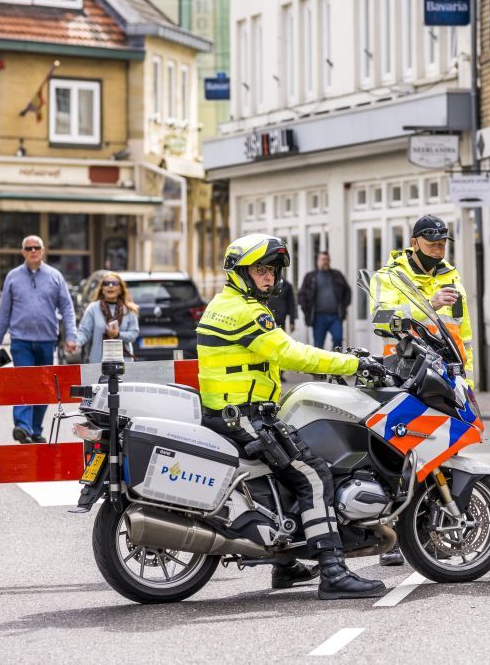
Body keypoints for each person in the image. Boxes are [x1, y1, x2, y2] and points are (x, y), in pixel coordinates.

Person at [197, 233, 386, 600]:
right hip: (244, 416)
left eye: (272, 270)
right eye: (260, 270)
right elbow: (291, 355)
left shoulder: (222, 303)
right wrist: (354, 363)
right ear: (240, 272)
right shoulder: (247, 311)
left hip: (231, 410)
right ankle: (333, 571)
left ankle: (286, 565)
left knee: (283, 472)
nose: (268, 278)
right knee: (313, 474)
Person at [368, 214, 475, 567]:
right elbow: (382, 318)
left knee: (439, 451)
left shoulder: (451, 275)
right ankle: (392, 536)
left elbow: (462, 331)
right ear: (414, 243)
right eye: (432, 245)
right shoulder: (390, 277)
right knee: (400, 453)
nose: (438, 250)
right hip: (403, 372)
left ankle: (428, 530)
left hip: (444, 373)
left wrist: (467, 377)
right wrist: (431, 302)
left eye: (443, 244)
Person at [0, 236, 78, 444]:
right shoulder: (12, 277)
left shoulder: (55, 276)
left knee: (44, 386)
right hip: (21, 341)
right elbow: (4, 312)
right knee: (24, 383)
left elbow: (67, 307)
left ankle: (35, 429)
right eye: (28, 248)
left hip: (47, 341)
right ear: (23, 253)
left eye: (36, 247)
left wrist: (71, 336)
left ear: (43, 250)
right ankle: (22, 426)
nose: (33, 251)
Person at [75, 271, 140, 364]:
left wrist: (118, 335)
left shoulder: (129, 309)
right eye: (106, 284)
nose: (110, 285)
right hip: (98, 362)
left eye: (114, 283)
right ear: (102, 289)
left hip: (124, 363)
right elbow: (84, 331)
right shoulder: (93, 308)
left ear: (120, 289)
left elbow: (134, 333)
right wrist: (76, 343)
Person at [297, 251, 351, 350]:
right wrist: (306, 310)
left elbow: (347, 291)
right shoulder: (310, 277)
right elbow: (301, 295)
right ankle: (321, 365)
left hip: (335, 316)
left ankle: (335, 362)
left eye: (327, 259)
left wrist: (343, 306)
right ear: (318, 261)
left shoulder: (337, 275)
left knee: (338, 339)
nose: (325, 262)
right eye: (323, 259)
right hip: (318, 317)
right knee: (318, 344)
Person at [266, 276, 297, 381]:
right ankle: (270, 371)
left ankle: (280, 373)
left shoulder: (286, 285)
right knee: (269, 346)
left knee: (280, 347)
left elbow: (291, 304)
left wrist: (292, 321)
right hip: (266, 320)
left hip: (280, 321)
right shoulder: (265, 283)